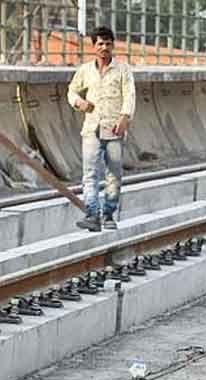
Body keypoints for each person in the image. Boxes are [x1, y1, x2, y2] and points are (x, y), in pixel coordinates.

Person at [68, 26, 135, 232]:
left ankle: (108, 215)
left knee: (113, 174)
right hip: (91, 129)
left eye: (108, 43)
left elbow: (130, 95)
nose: (104, 47)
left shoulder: (123, 70)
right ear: (94, 46)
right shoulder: (85, 71)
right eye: (100, 44)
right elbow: (71, 91)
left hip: (114, 130)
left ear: (113, 45)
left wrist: (124, 118)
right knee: (90, 175)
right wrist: (79, 102)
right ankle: (92, 215)